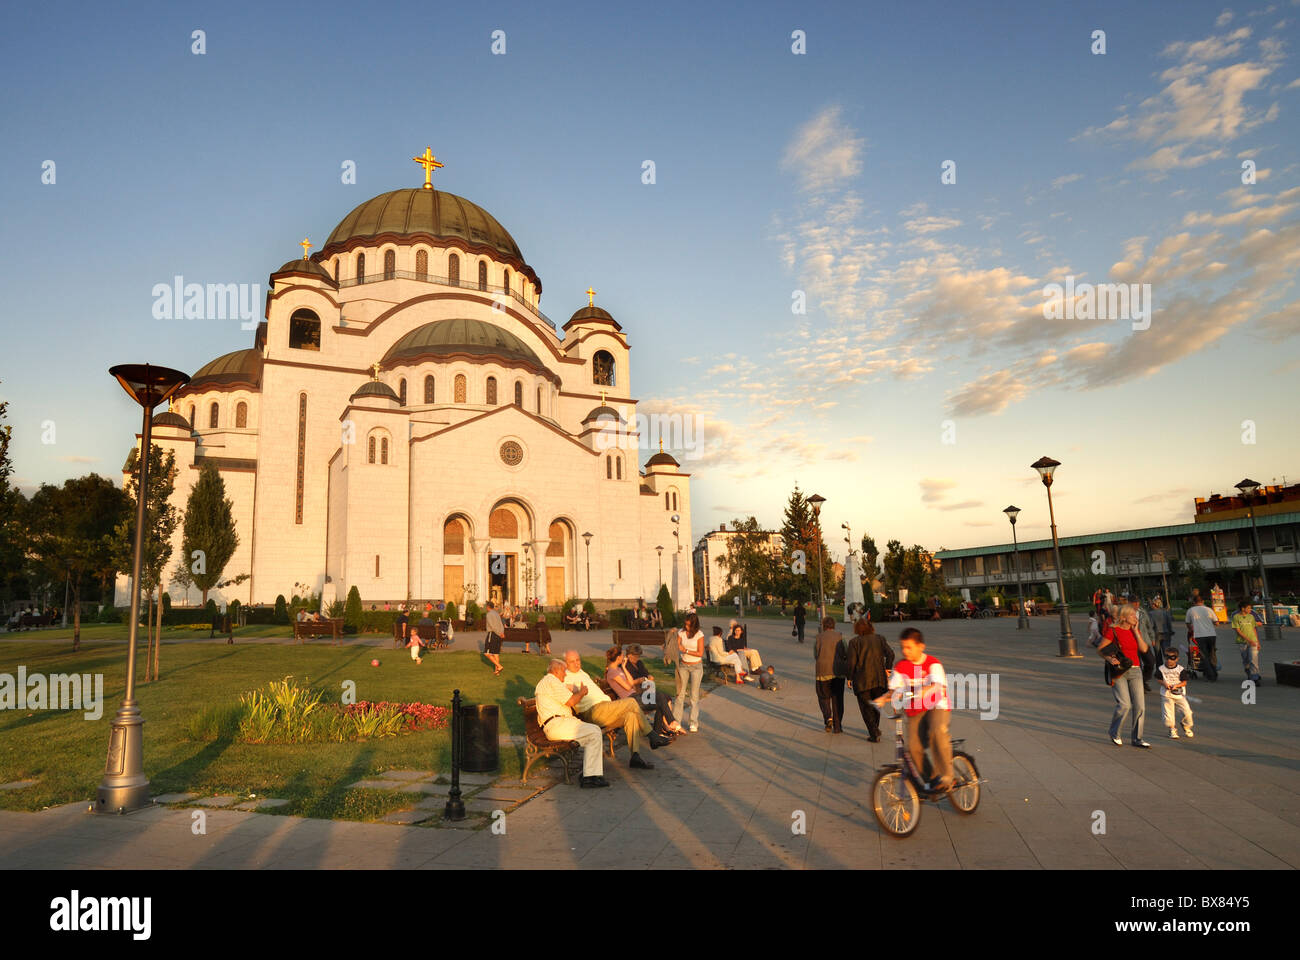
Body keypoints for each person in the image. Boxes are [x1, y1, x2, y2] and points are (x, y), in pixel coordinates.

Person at [874, 628, 952, 789]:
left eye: (909, 647)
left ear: (920, 646)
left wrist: (924, 690)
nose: (905, 651)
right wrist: (883, 698)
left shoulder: (933, 663)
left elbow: (937, 685)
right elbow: (895, 689)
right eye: (903, 647)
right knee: (914, 747)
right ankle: (932, 780)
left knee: (936, 732)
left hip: (936, 706)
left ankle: (947, 775)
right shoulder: (901, 666)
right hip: (915, 709)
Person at [563, 649, 657, 768]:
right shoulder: (565, 677)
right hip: (594, 711)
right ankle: (652, 735)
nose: (576, 663)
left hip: (604, 708)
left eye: (578, 660)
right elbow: (569, 692)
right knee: (631, 702)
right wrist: (576, 690)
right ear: (565, 663)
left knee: (631, 716)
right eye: (572, 661)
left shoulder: (581, 672)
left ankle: (635, 757)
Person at [536, 659, 608, 788]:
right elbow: (571, 701)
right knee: (594, 731)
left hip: (560, 723)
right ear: (556, 671)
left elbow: (566, 696)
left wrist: (575, 691)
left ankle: (590, 775)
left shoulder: (550, 682)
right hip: (556, 724)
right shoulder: (551, 681)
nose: (565, 674)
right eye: (564, 671)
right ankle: (589, 777)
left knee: (594, 733)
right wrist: (582, 692)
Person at [1099, 605, 1151, 748]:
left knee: (1140, 706)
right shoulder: (1113, 630)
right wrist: (1110, 659)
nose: (1136, 618)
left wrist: (1136, 632)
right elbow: (1100, 649)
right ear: (1123, 617)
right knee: (1124, 705)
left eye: (1136, 616)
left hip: (1135, 671)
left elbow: (1144, 649)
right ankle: (1114, 733)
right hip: (1119, 671)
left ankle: (1137, 738)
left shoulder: (1135, 630)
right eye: (1133, 616)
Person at [604, 646, 678, 742]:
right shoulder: (612, 672)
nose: (623, 657)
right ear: (618, 657)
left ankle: (658, 733)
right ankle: (670, 722)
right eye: (622, 655)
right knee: (659, 697)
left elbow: (630, 683)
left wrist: (623, 667)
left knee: (661, 699)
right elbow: (628, 687)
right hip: (629, 700)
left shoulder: (619, 669)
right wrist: (634, 682)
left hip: (635, 696)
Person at [846, 617, 894, 742]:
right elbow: (890, 654)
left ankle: (874, 732)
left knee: (865, 707)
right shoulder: (880, 639)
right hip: (879, 678)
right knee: (876, 705)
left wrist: (849, 678)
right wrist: (888, 669)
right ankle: (875, 729)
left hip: (862, 680)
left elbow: (851, 663)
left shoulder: (854, 642)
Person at [622, 643, 686, 735]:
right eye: (635, 656)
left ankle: (665, 726)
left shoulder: (639, 663)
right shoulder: (626, 665)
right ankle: (668, 725)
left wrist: (649, 676)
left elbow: (645, 673)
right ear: (629, 655)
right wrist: (639, 680)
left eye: (638, 656)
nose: (637, 658)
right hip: (637, 693)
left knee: (666, 698)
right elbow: (629, 683)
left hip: (645, 690)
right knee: (661, 699)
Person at [814, 616, 847, 733]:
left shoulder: (818, 637)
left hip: (822, 671)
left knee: (823, 697)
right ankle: (838, 726)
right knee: (837, 699)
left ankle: (828, 717)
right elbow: (846, 652)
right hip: (838, 672)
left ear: (823, 626)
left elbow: (815, 654)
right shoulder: (840, 636)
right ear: (834, 625)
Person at [675, 612, 705, 731]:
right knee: (680, 695)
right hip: (683, 666)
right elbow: (676, 645)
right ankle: (676, 721)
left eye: (689, 625)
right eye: (685, 624)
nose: (686, 627)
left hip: (696, 667)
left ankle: (693, 722)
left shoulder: (699, 634)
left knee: (694, 696)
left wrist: (686, 650)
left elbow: (700, 653)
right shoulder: (681, 632)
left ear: (694, 625)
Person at [1158, 647, 1194, 739]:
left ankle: (1186, 725)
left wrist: (1177, 686)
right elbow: (1159, 679)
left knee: (1187, 712)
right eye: (1167, 657)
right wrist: (1164, 683)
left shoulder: (1181, 669)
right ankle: (1172, 729)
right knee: (1168, 713)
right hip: (1166, 694)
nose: (1169, 660)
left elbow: (1184, 682)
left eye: (1172, 658)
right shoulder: (1161, 669)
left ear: (1177, 659)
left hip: (1180, 695)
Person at [1185, 595, 1219, 681]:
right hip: (1211, 634)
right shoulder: (1209, 609)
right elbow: (1216, 622)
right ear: (1203, 601)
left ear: (1193, 602)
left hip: (1200, 635)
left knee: (1204, 656)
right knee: (1212, 654)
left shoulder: (1190, 610)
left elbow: (1188, 623)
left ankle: (1211, 675)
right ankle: (1214, 672)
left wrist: (1191, 629)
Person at [1231, 600, 1262, 683]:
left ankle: (1255, 678)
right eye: (1248, 608)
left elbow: (1254, 629)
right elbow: (1238, 631)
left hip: (1253, 641)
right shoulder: (1236, 617)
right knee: (1246, 660)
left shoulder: (1251, 617)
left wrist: (1257, 642)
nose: (1250, 610)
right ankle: (1249, 673)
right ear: (1243, 608)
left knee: (1253, 659)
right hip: (1242, 642)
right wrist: (1248, 640)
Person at [1134, 599, 1158, 692]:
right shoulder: (1126, 613)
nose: (1136, 604)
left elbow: (1149, 626)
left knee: (1151, 662)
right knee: (1137, 665)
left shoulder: (1142, 612)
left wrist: (1152, 638)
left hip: (1144, 641)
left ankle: (1144, 680)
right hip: (1133, 643)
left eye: (1137, 602)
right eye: (1134, 602)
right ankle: (1139, 686)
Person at [483, 600, 505, 676]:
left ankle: (499, 666)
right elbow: (501, 624)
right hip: (499, 634)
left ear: (488, 607)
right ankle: (497, 671)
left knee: (487, 653)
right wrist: (502, 633)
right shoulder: (496, 614)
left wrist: (499, 633)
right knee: (496, 653)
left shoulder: (489, 614)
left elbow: (492, 626)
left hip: (492, 634)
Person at [1150, 595, 1174, 660]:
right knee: (1167, 652)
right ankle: (1169, 665)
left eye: (1152, 604)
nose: (1151, 606)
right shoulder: (1165, 612)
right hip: (1166, 634)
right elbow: (1169, 623)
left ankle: (1159, 667)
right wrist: (1171, 631)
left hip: (1156, 634)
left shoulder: (1151, 613)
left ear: (1154, 605)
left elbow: (1151, 626)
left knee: (1157, 653)